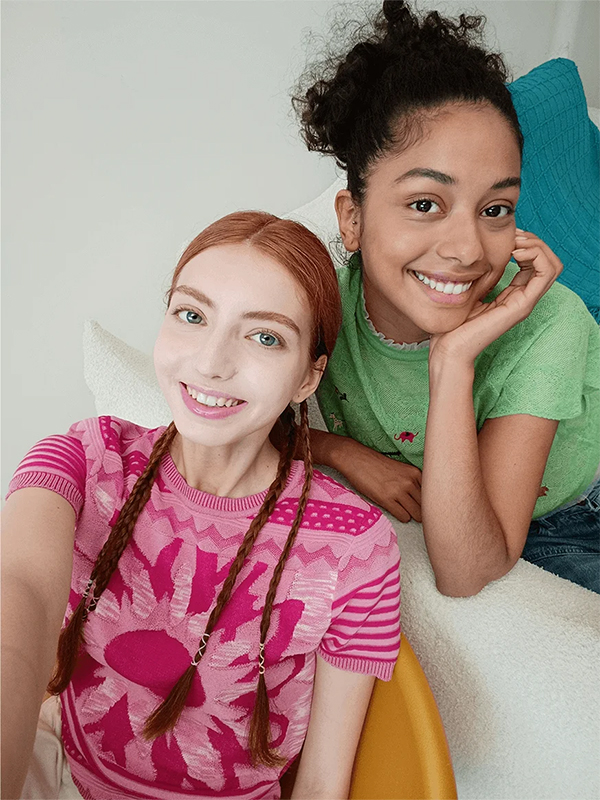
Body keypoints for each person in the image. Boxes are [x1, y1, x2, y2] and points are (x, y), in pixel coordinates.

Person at [2, 211, 401, 800]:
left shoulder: (356, 547)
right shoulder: (83, 461)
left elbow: (322, 783)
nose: (212, 362)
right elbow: (21, 599)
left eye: (265, 337)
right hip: (61, 773)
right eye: (192, 315)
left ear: (308, 377)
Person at [293, 0, 600, 595]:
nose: (466, 250)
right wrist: (338, 451)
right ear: (352, 219)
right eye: (425, 203)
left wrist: (452, 360)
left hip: (575, 510)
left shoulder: (549, 323)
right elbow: (227, 406)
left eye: (496, 209)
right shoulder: (320, 301)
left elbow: (466, 571)